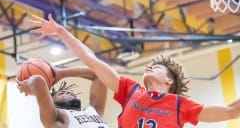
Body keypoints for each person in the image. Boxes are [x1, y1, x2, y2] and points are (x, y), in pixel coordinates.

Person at [30, 14, 240, 128]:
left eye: (157, 67)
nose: (150, 66)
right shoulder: (130, 91)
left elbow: (231, 111)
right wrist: (61, 32)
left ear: (168, 81)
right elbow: (91, 60)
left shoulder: (181, 105)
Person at [16, 63, 109, 128]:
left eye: (69, 92)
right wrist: (29, 86)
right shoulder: (56, 119)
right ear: (51, 102)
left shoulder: (94, 111)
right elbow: (37, 80)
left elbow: (100, 74)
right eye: (61, 93)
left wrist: (61, 73)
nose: (68, 92)